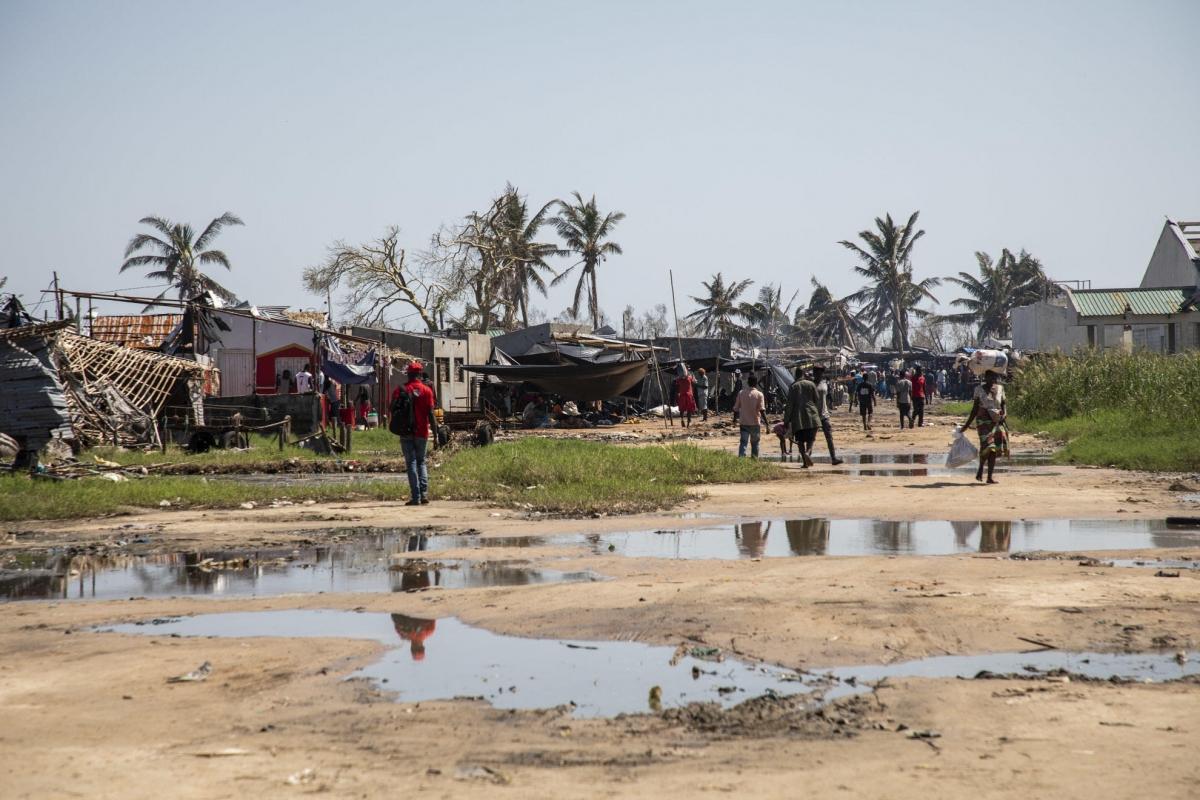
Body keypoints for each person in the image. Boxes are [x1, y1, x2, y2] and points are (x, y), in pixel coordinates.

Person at [392, 360, 437, 505]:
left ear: (408, 374)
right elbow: (431, 414)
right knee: (421, 462)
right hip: (422, 431)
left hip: (405, 432)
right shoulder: (427, 391)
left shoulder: (400, 390)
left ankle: (415, 497)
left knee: (410, 463)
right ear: (419, 374)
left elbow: (391, 408)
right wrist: (436, 434)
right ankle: (424, 494)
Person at [962, 369, 1009, 484]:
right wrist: (966, 425)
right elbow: (974, 409)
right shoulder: (978, 390)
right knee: (987, 447)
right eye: (990, 377)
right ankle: (981, 468)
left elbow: (1003, 405)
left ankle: (989, 477)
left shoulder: (1000, 389)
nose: (992, 380)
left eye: (994, 378)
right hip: (983, 422)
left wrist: (1005, 415)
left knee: (994, 450)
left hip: (997, 421)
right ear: (985, 377)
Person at [784, 368, 819, 468]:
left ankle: (805, 462)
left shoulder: (793, 386)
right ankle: (808, 452)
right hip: (812, 416)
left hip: (798, 418)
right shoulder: (811, 384)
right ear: (803, 374)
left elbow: (789, 405)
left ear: (795, 375)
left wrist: (786, 420)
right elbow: (816, 399)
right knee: (811, 439)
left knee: (800, 441)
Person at [811, 366, 844, 465]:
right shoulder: (811, 385)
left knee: (829, 437)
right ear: (814, 373)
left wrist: (830, 405)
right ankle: (807, 456)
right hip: (814, 415)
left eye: (820, 373)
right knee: (811, 438)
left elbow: (828, 397)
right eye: (817, 373)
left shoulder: (824, 384)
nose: (819, 374)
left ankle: (833, 458)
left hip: (824, 414)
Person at [732, 374, 768, 458]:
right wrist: (767, 423)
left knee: (743, 442)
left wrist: (734, 420)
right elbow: (762, 410)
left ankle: (741, 460)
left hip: (744, 422)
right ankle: (754, 460)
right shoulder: (759, 394)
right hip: (755, 423)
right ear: (756, 383)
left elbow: (736, 408)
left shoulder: (741, 393)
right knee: (755, 444)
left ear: (748, 382)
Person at [674, 363, 697, 428]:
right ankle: (688, 422)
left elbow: (676, 386)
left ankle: (682, 420)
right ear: (686, 370)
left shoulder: (679, 379)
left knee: (682, 409)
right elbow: (694, 383)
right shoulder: (689, 378)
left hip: (682, 395)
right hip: (689, 395)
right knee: (689, 409)